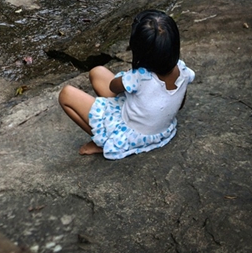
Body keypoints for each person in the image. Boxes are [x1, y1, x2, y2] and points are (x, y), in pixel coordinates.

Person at [58, 9, 195, 160]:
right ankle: (107, 134)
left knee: (66, 94)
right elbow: (180, 104)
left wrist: (129, 75)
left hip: (128, 136)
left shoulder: (139, 77)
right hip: (161, 130)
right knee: (97, 72)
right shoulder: (184, 71)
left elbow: (113, 87)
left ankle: (102, 141)